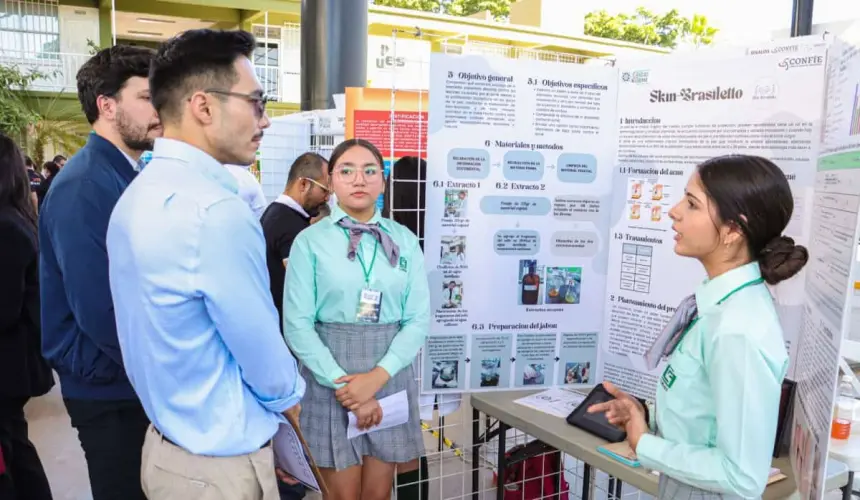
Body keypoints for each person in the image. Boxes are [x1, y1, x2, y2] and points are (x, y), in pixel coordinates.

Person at [106, 29, 304, 499]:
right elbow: (264, 359)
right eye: (256, 102)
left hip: (167, 450)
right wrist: (301, 424)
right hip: (218, 470)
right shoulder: (215, 210)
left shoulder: (137, 195)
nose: (266, 121)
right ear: (204, 106)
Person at [588, 155, 809, 499]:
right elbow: (704, 412)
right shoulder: (719, 305)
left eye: (691, 204)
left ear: (734, 230)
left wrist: (644, 443)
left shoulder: (738, 328)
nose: (674, 211)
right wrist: (643, 414)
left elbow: (742, 476)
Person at [38, 45, 159, 500]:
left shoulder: (121, 174)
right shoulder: (86, 184)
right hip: (108, 388)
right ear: (107, 105)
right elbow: (99, 308)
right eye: (147, 98)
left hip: (121, 379)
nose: (159, 109)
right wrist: (161, 370)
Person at [283, 138, 430, 500]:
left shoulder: (405, 241)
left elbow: (417, 319)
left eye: (369, 171)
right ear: (331, 182)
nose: (358, 179)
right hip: (331, 379)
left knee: (378, 495)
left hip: (389, 376)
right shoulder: (309, 242)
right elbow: (297, 325)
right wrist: (348, 388)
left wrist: (376, 379)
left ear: (383, 181)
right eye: (346, 171)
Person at [0, 134, 55, 500]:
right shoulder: (15, 218)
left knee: (13, 448)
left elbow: (4, 310)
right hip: (13, 362)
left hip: (10, 364)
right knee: (14, 445)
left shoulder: (6, 228)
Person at [261, 152, 330, 328]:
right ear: (304, 184)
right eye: (324, 190)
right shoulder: (289, 224)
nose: (327, 198)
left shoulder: (275, 213)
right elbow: (302, 284)